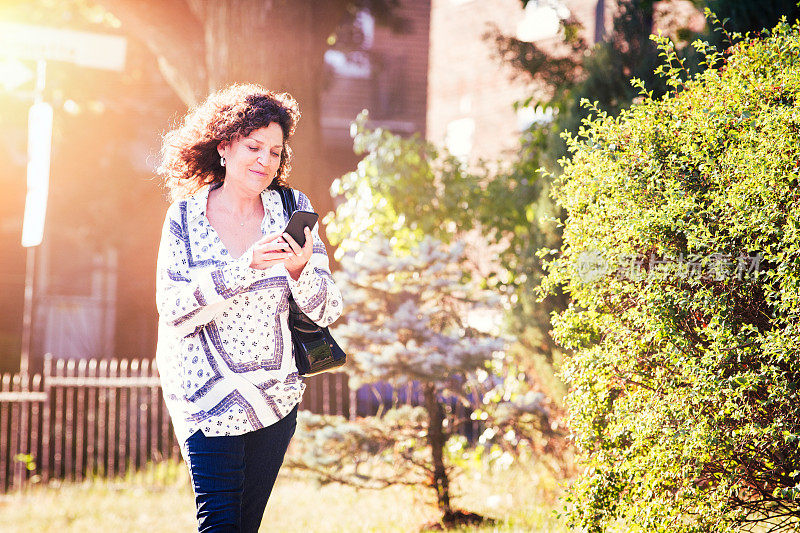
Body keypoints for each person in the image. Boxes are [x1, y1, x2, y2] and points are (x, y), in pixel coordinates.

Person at [154, 84, 342, 532]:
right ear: (224, 146)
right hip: (205, 397)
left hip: (274, 399)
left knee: (244, 527)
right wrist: (244, 268)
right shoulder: (183, 218)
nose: (265, 161)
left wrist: (300, 273)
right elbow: (174, 309)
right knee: (219, 525)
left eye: (275, 153)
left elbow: (328, 309)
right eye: (254, 147)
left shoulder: (294, 208)